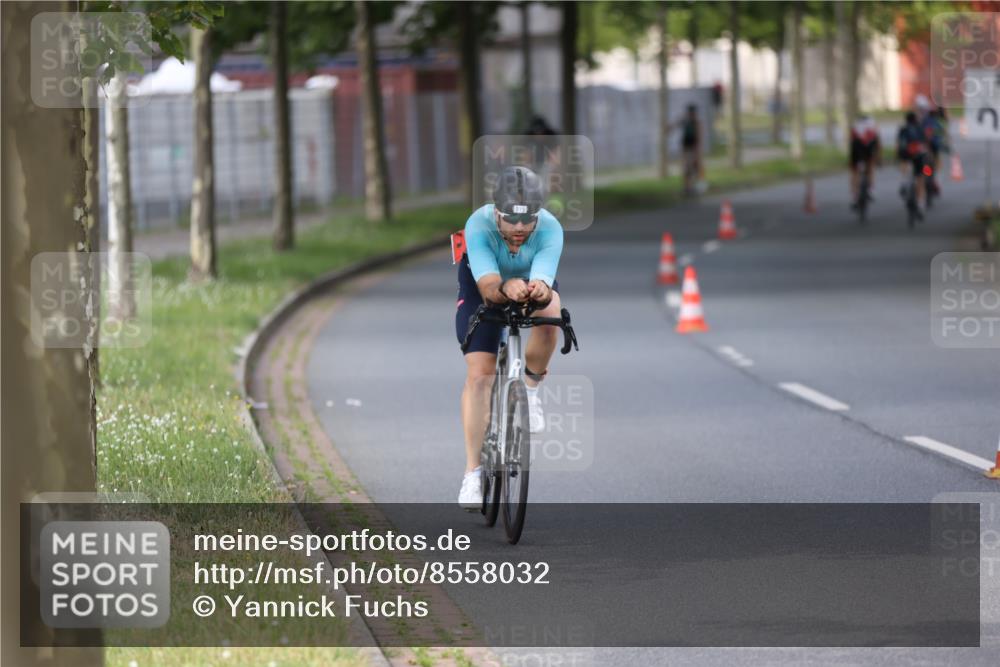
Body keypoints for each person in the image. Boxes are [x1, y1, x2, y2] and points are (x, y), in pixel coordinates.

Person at [455, 166, 565, 510]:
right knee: (480, 375)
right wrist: (506, 287)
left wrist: (540, 291)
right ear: (496, 212)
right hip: (484, 288)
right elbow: (488, 288)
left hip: (529, 284)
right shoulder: (479, 224)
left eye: (528, 220)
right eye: (511, 220)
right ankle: (472, 472)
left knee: (552, 316)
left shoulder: (550, 228)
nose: (519, 229)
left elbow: (545, 289)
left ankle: (530, 390)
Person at [897, 111, 929, 214]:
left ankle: (904, 181)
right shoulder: (920, 128)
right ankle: (920, 203)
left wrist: (897, 155)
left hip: (906, 152)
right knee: (920, 178)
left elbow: (898, 144)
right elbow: (925, 143)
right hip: (918, 153)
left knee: (904, 161)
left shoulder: (903, 129)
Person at [849, 114, 880, 208]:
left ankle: (854, 197)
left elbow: (852, 141)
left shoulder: (855, 125)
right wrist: (879, 157)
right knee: (870, 167)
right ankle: (871, 190)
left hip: (856, 148)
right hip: (868, 148)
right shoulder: (872, 125)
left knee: (855, 172)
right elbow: (877, 142)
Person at [671, 104, 702, 195]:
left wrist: (697, 151)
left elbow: (699, 136)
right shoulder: (685, 121)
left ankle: (692, 186)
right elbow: (673, 126)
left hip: (693, 148)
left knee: (692, 167)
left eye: (691, 113)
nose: (690, 114)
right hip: (685, 148)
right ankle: (687, 187)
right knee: (686, 167)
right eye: (689, 112)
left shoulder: (696, 122)